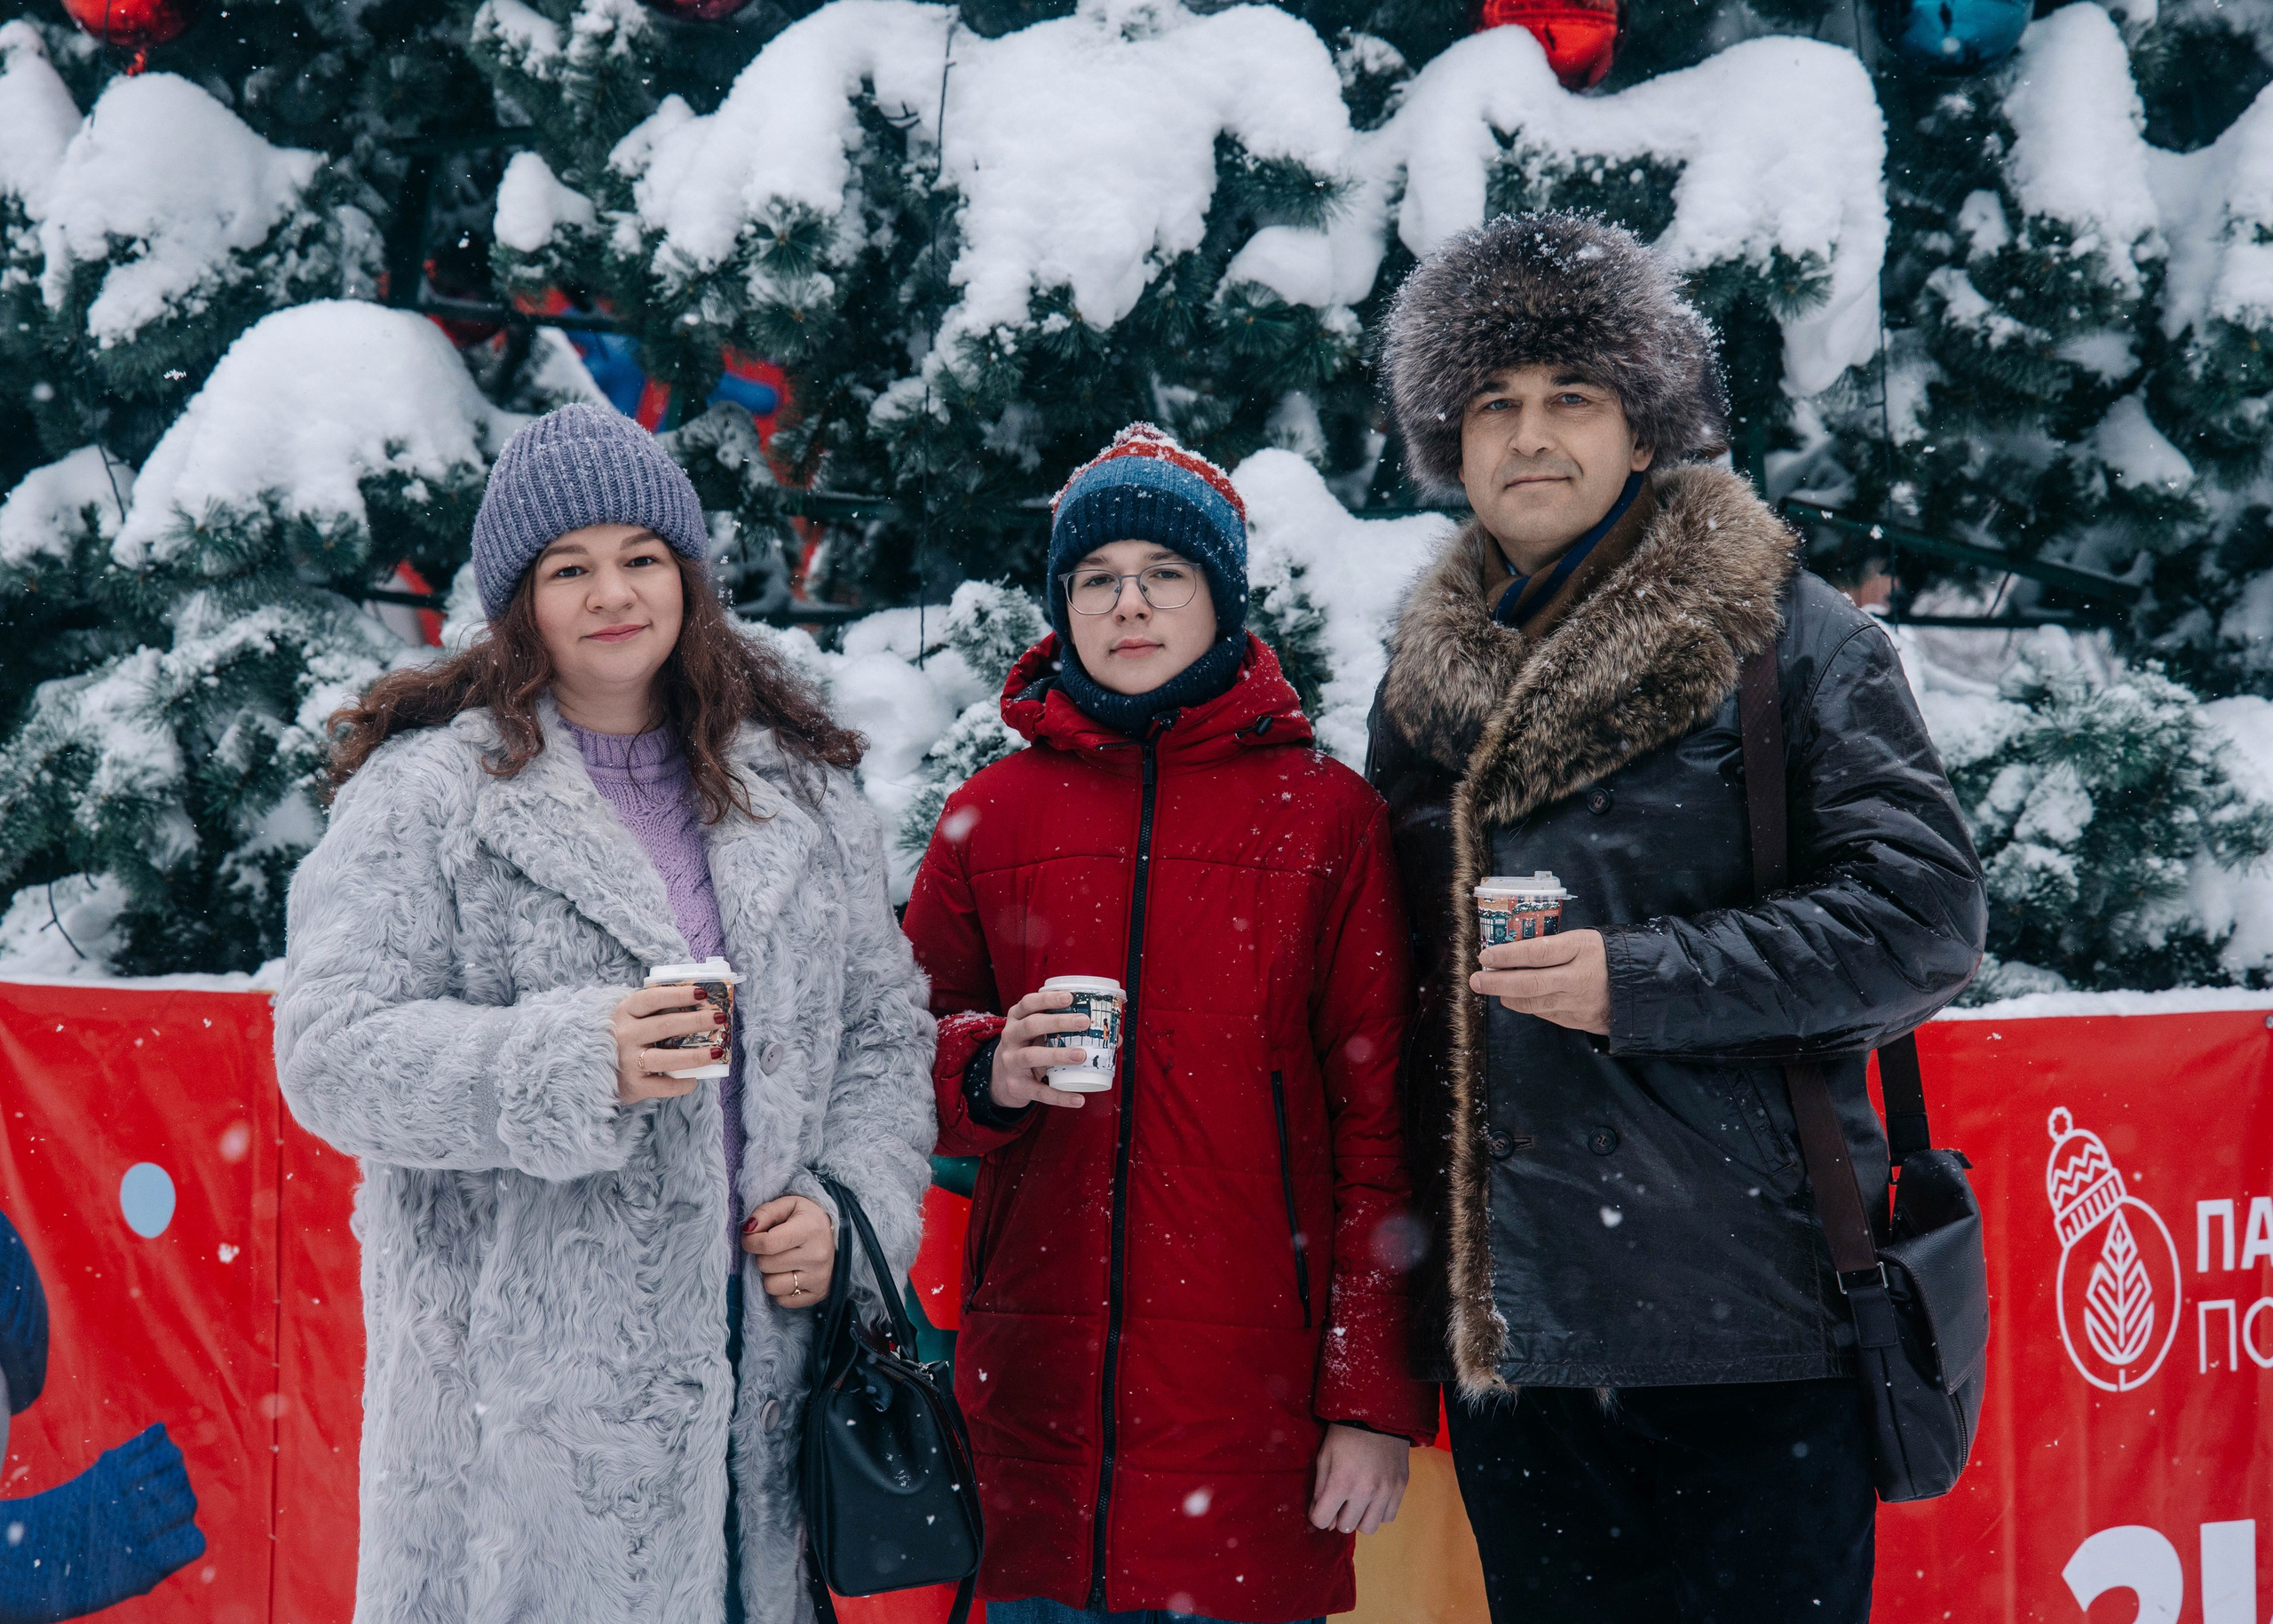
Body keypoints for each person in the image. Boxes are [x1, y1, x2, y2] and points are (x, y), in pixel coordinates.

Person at [1366, 212, 1988, 1622]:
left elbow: (1927, 915)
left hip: (1750, 1333)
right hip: (1519, 1342)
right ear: (1449, 446)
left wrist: (1641, 980)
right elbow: (1382, 980)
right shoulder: (1419, 680)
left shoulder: (1792, 634)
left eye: (1570, 398)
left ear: (1644, 431)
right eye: (1493, 406)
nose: (1531, 436)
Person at [273, 404, 936, 1624]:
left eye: (640, 555)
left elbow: (883, 1032)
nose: (611, 591)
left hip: (761, 1399)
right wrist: (570, 1059)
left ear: (686, 574)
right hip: (522, 1438)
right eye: (568, 567)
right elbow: (330, 1052)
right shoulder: (431, 792)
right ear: (519, 599)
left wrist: (851, 1211)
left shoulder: (797, 782)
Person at [901, 425, 1438, 1624]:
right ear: (1063, 605)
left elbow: (1381, 1128)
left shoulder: (1325, 819)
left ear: (1221, 600)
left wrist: (1369, 1399)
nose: (1129, 602)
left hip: (1252, 1418)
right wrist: (985, 1068)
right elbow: (887, 1062)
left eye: (1165, 574)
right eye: (1097, 577)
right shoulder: (991, 813)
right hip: (1037, 1413)